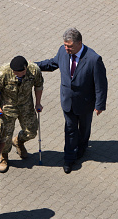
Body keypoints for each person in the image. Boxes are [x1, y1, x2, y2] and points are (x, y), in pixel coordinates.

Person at [36, 28, 108, 174]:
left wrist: (99, 104)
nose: (66, 48)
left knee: (84, 128)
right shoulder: (63, 51)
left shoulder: (94, 59)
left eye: (69, 46)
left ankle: (82, 148)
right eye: (65, 45)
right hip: (67, 100)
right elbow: (52, 64)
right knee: (70, 129)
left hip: (85, 103)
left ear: (79, 43)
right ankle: (69, 158)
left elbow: (101, 84)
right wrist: (34, 66)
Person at [0, 56, 44, 173]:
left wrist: (38, 103)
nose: (20, 74)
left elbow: (39, 86)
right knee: (5, 135)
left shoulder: (34, 70)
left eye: (23, 72)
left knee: (31, 131)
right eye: (17, 73)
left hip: (26, 106)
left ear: (26, 67)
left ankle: (19, 141)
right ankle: (4, 156)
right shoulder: (3, 72)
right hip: (8, 108)